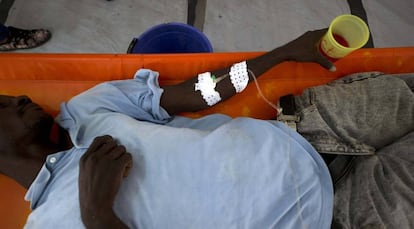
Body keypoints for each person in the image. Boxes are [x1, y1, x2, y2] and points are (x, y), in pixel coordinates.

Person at [0, 28, 413, 229]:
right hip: (335, 213)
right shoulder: (51, 223)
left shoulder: (88, 107)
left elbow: (197, 92)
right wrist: (97, 212)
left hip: (311, 123)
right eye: (0, 106)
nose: (16, 97)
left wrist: (281, 54)